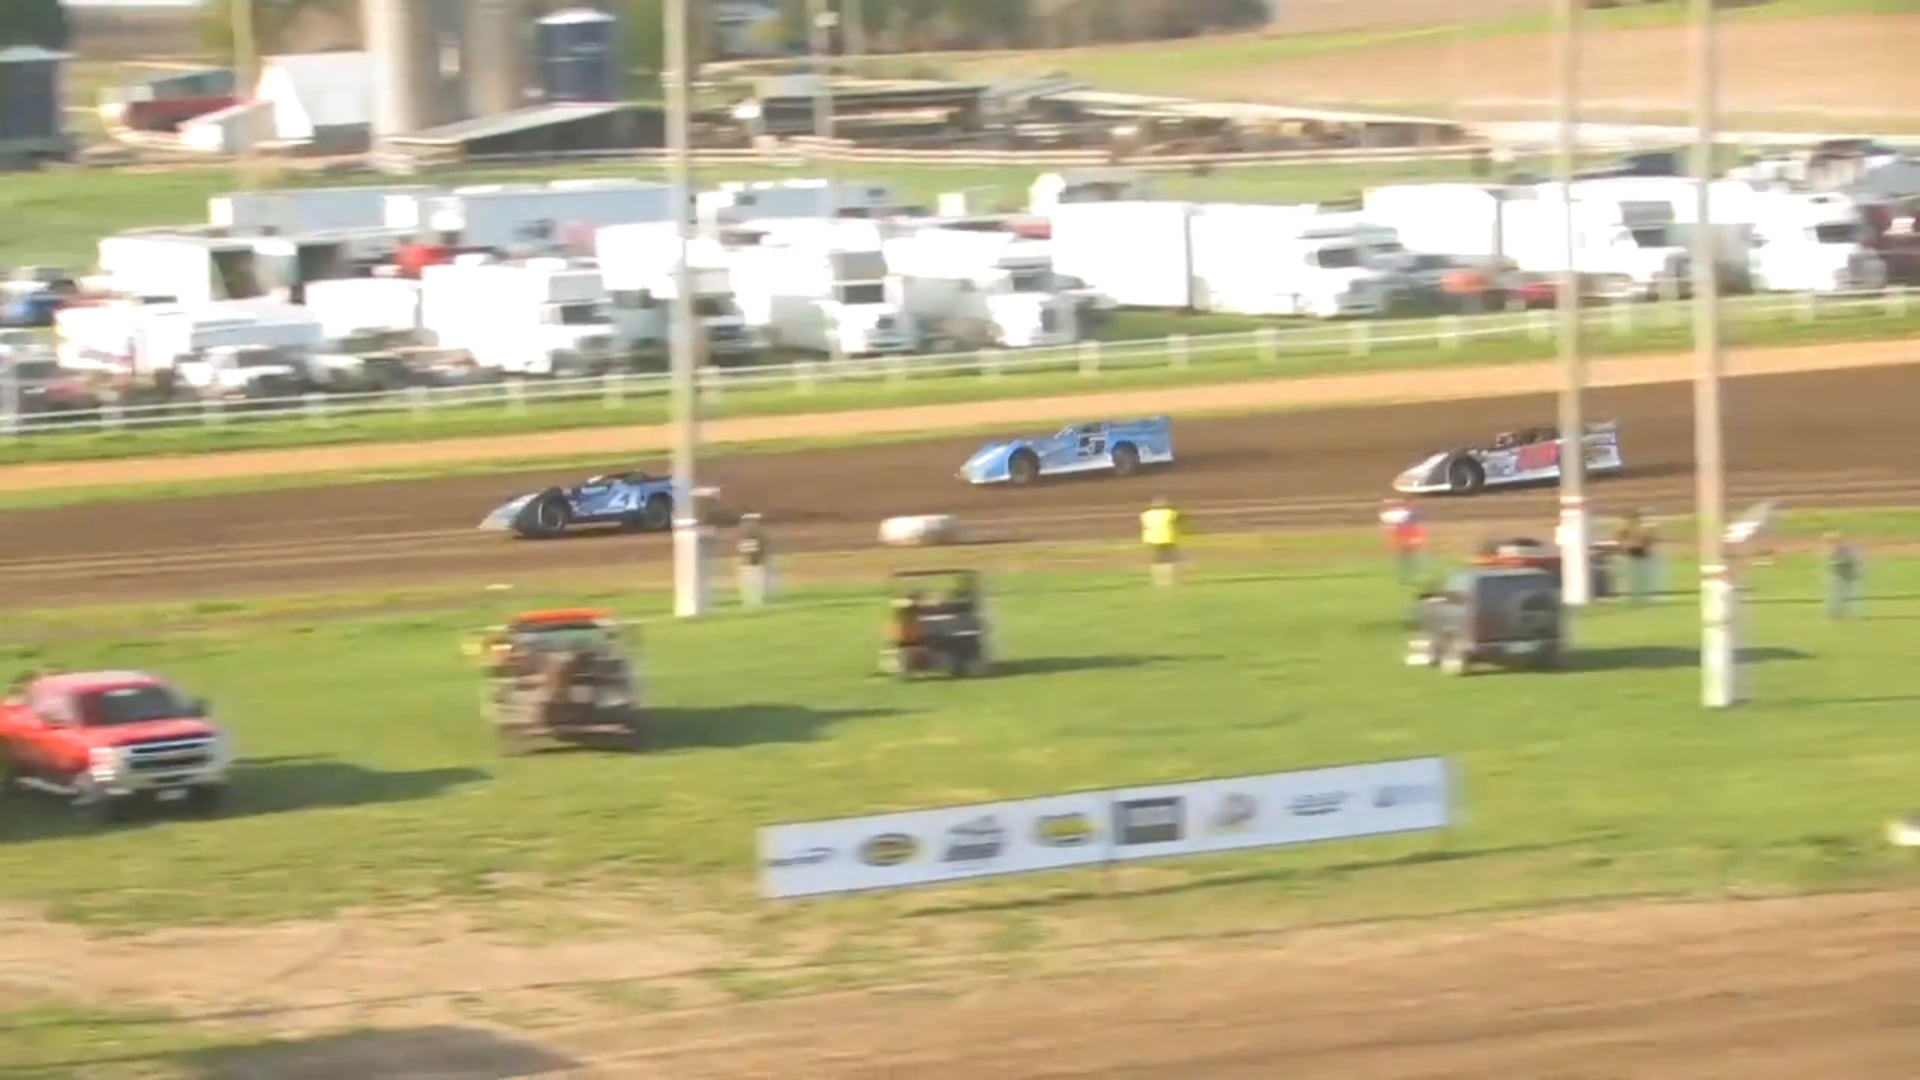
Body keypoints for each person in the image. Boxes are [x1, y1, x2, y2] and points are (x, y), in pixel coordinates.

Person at [1140, 496, 1185, 587]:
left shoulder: (1146, 514)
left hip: (1151, 539)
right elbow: (1179, 518)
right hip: (1167, 538)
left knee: (1156, 560)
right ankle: (1170, 580)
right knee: (1170, 559)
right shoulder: (1169, 513)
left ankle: (1158, 580)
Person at [1380, 499, 1427, 586]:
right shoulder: (1405, 526)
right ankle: (1408, 578)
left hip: (1409, 545)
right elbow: (1399, 536)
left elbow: (1419, 536)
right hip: (1407, 545)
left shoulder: (1410, 526)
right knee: (1408, 562)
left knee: (1410, 562)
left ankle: (1408, 578)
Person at [1617, 509, 1655, 604]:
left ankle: (1641, 595)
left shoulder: (1642, 528)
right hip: (1631, 552)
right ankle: (1633, 595)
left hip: (1641, 553)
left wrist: (1647, 547)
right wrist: (1625, 546)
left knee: (1641, 576)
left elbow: (1648, 540)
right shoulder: (1627, 528)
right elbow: (1621, 539)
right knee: (1631, 576)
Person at [735, 512, 772, 608]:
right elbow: (762, 545)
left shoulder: (741, 532)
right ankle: (755, 600)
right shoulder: (758, 532)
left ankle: (750, 601)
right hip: (755, 561)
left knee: (750, 582)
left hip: (748, 561)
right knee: (756, 581)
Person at [1825, 531, 1862, 619]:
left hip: (1845, 575)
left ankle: (1842, 612)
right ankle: (1838, 612)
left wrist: (1837, 562)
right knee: (1840, 595)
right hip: (1841, 575)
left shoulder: (1845, 549)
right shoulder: (1837, 549)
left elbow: (1851, 560)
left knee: (1843, 595)